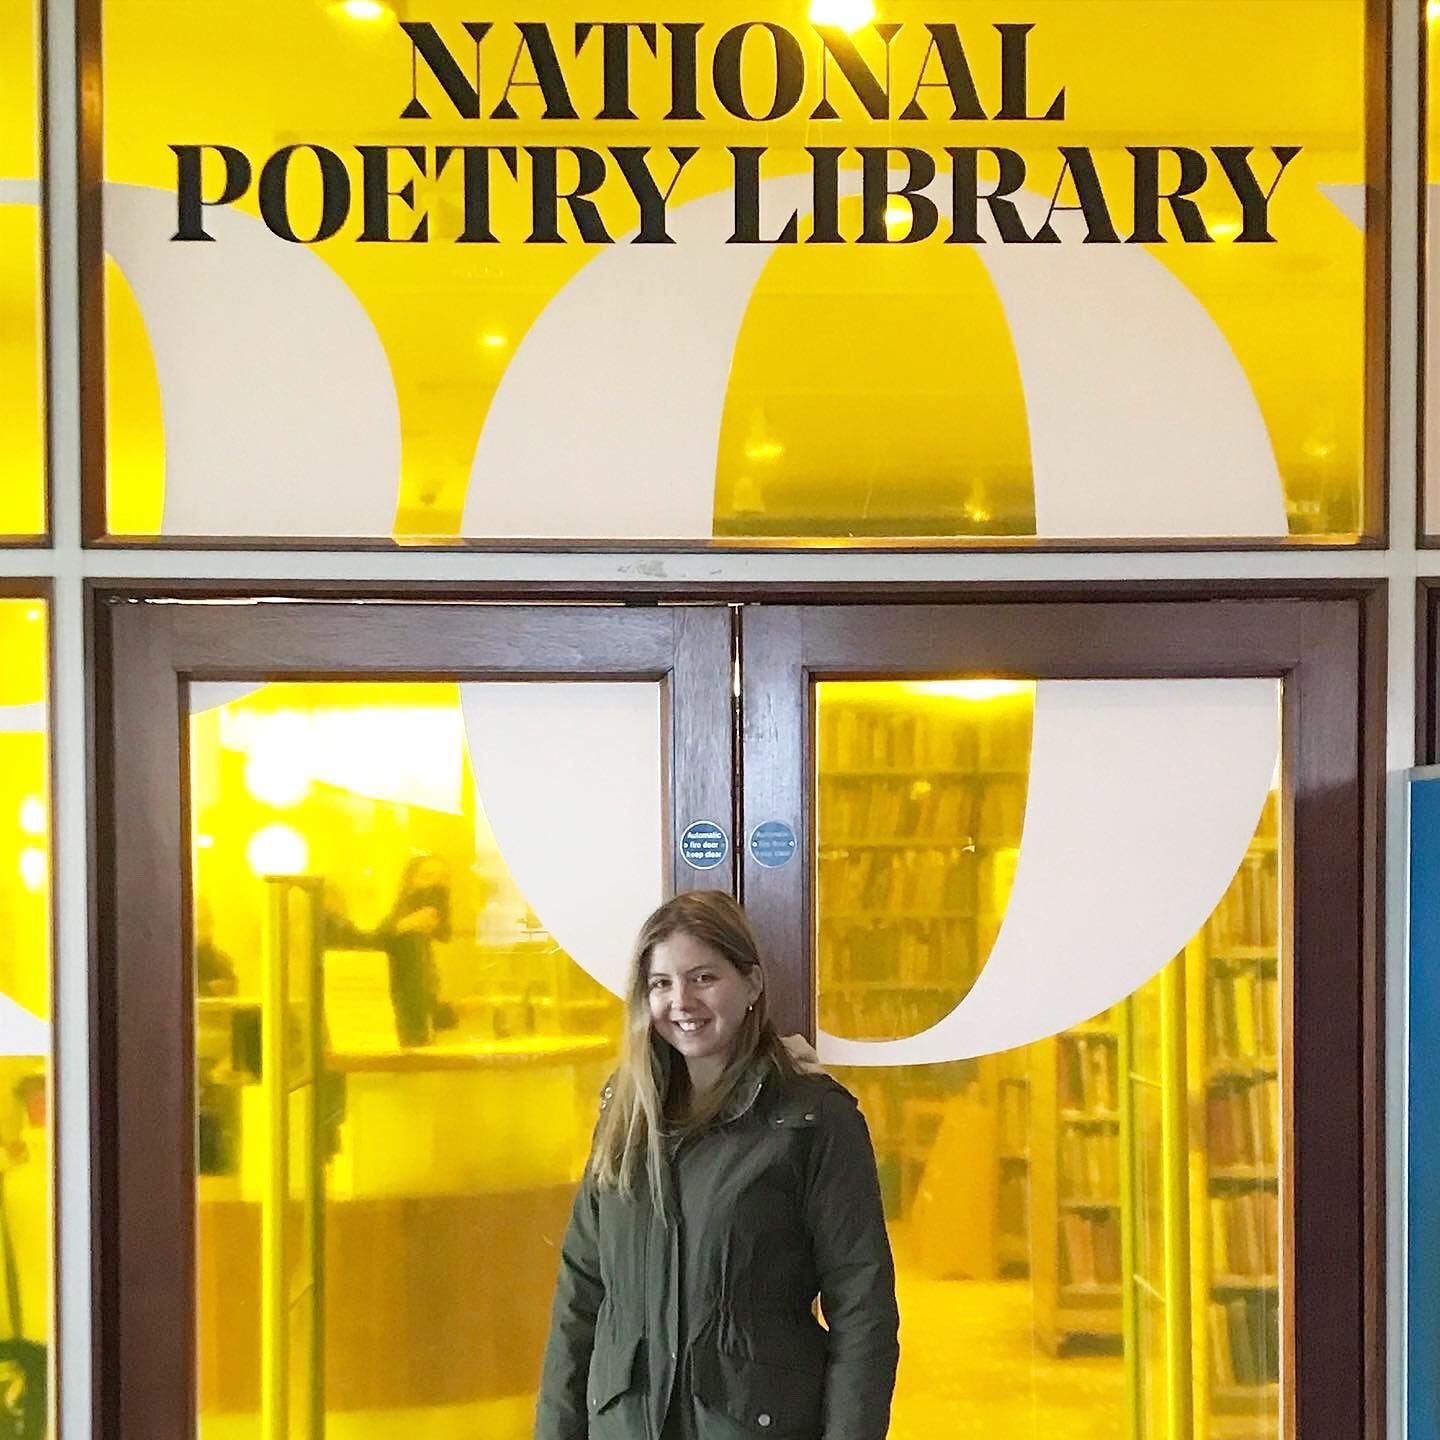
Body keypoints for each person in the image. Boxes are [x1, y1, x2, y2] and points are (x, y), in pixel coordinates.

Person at [534, 891, 899, 1440]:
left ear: (751, 984)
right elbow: (580, 1294)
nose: (681, 1000)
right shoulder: (625, 1111)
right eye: (661, 983)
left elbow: (864, 1314)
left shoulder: (812, 1120)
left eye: (703, 977)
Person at [325, 855, 456, 1047]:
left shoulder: (418, 936)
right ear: (409, 885)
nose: (436, 884)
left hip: (402, 1044)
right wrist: (401, 928)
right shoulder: (403, 933)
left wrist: (456, 1010)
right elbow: (365, 957)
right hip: (394, 1045)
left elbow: (420, 1002)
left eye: (444, 878)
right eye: (427, 876)